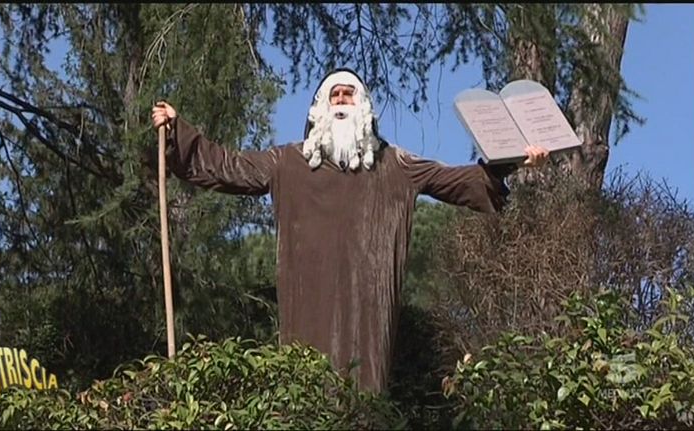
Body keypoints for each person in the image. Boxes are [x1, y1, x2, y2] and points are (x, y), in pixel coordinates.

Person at [150, 68, 549, 393]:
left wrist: (508, 163)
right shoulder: (287, 163)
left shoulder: (395, 166)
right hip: (307, 307)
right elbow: (228, 166)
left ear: (365, 108)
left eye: (349, 95)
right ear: (319, 110)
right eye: (335, 95)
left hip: (368, 318)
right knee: (304, 390)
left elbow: (455, 181)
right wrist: (178, 130)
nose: (341, 101)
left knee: (364, 396)